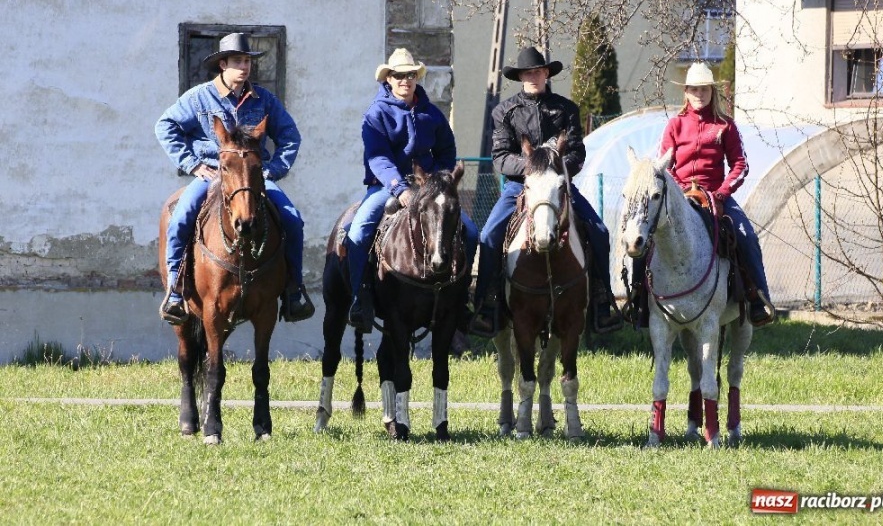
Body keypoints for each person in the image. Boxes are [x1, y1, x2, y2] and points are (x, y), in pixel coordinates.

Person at [155, 32, 315, 325]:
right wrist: (192, 164)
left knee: (293, 219)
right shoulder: (199, 97)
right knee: (180, 218)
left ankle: (293, 290)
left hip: (254, 179)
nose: (244, 67)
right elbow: (165, 126)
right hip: (211, 174)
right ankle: (176, 291)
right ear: (223, 65)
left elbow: (290, 136)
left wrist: (272, 170)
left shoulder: (264, 99)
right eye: (238, 61)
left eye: (247, 61)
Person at [470, 46, 622, 336]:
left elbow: (577, 153)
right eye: (528, 73)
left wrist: (554, 169)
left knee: (600, 232)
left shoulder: (567, 109)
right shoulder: (504, 111)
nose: (533, 77)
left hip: (558, 186)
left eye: (538, 72)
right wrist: (533, 168)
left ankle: (602, 301)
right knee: (489, 235)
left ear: (546, 74)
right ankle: (487, 305)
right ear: (520, 77)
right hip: (520, 186)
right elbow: (500, 157)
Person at [630, 61, 775, 327]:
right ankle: (638, 300)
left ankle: (758, 298)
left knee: (746, 235)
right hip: (679, 196)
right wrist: (678, 191)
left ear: (712, 91)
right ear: (686, 92)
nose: (699, 94)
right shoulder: (674, 125)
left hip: (717, 195)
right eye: (694, 89)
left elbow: (740, 165)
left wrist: (721, 194)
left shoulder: (725, 126)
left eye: (704, 89)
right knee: (645, 236)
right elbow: (665, 167)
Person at [347, 48, 478, 332]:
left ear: (416, 78)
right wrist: (400, 188)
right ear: (388, 79)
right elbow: (378, 158)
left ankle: (460, 300)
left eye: (410, 75)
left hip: (428, 188)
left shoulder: (432, 114)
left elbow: (447, 151)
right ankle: (360, 297)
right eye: (398, 75)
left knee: (470, 232)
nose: (404, 80)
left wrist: (437, 181)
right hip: (386, 187)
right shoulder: (376, 114)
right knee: (357, 233)